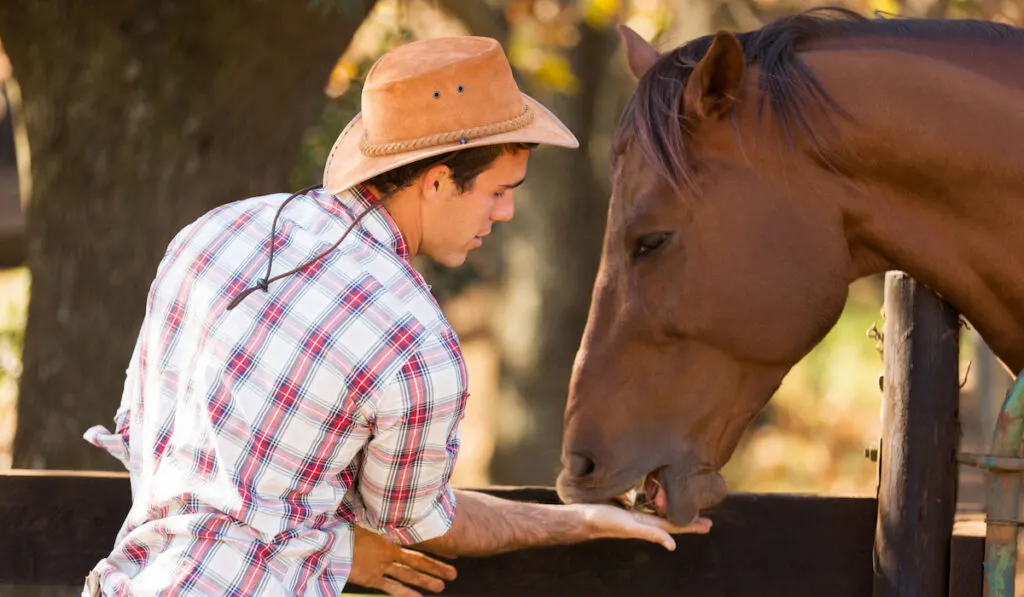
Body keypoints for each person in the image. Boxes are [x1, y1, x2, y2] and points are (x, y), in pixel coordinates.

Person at [81, 35, 711, 597]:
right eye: (498, 192)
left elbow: (165, 450)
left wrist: (328, 545)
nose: (506, 215)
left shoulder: (214, 235)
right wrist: (581, 521)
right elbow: (417, 523)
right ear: (437, 182)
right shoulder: (414, 340)